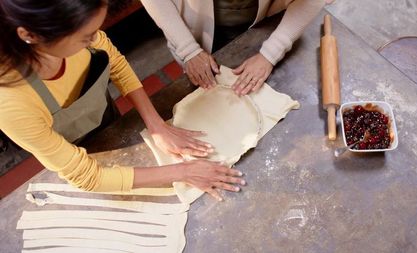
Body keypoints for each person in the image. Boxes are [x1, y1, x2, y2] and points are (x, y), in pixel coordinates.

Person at [0, 0, 244, 201]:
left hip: (104, 113)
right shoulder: (12, 104)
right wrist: (184, 171)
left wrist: (156, 124)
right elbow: (86, 176)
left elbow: (113, 59)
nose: (95, 38)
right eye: (86, 37)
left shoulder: (76, 33)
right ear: (30, 35)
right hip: (67, 145)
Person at [141, 0, 334, 96]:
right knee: (206, 98)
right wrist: (188, 49)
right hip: (192, 29)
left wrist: (272, 51)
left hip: (262, 23)